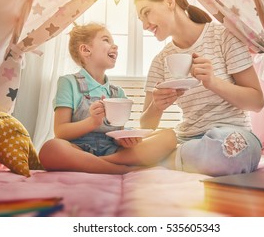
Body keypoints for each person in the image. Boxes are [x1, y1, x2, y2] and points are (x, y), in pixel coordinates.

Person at [134, 0, 264, 176]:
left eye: (146, 13)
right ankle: (181, 157)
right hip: (187, 139)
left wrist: (213, 82)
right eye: (141, 19)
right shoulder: (161, 60)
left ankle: (161, 160)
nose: (144, 25)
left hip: (233, 134)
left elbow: (256, 102)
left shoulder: (224, 37)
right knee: (144, 143)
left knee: (228, 151)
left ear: (170, 1)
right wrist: (157, 106)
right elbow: (146, 124)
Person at [39, 23, 177, 174]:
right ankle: (122, 169)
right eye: (106, 40)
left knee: (169, 137)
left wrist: (125, 141)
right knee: (50, 148)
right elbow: (60, 132)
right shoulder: (68, 83)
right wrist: (92, 122)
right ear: (86, 50)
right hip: (77, 148)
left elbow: (119, 132)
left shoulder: (118, 93)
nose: (115, 46)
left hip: (113, 152)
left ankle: (100, 164)